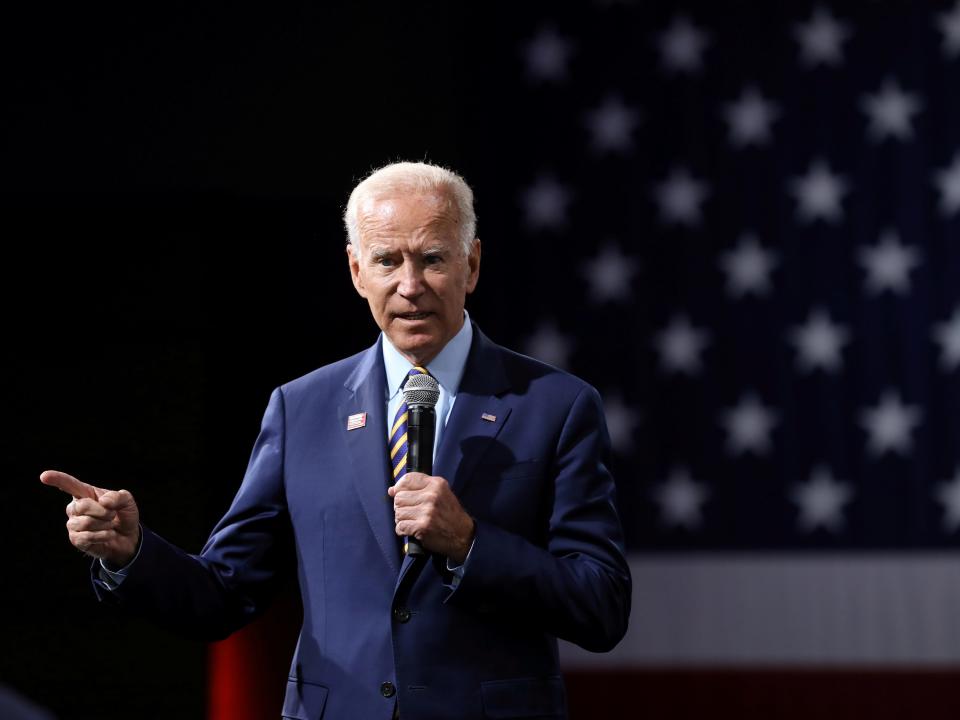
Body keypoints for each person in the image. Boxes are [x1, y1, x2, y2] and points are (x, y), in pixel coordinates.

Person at [41, 161, 631, 720]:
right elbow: (224, 592)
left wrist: (471, 542)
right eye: (386, 261)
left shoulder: (556, 406)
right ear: (356, 271)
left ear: (472, 265)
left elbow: (601, 605)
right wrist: (132, 552)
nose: (410, 285)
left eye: (432, 259)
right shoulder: (302, 410)